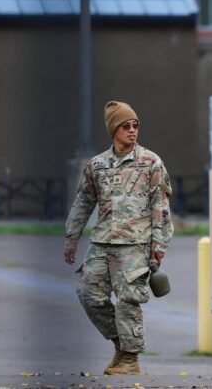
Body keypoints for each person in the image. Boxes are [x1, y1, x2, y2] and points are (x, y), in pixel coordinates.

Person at [63, 101, 174, 375]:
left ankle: (130, 359)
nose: (132, 130)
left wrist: (159, 245)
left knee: (128, 301)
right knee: (88, 294)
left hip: (135, 244)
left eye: (135, 125)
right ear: (114, 130)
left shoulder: (151, 162)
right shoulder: (97, 165)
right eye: (126, 126)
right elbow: (83, 202)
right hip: (102, 243)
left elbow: (160, 207)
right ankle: (121, 345)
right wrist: (72, 238)